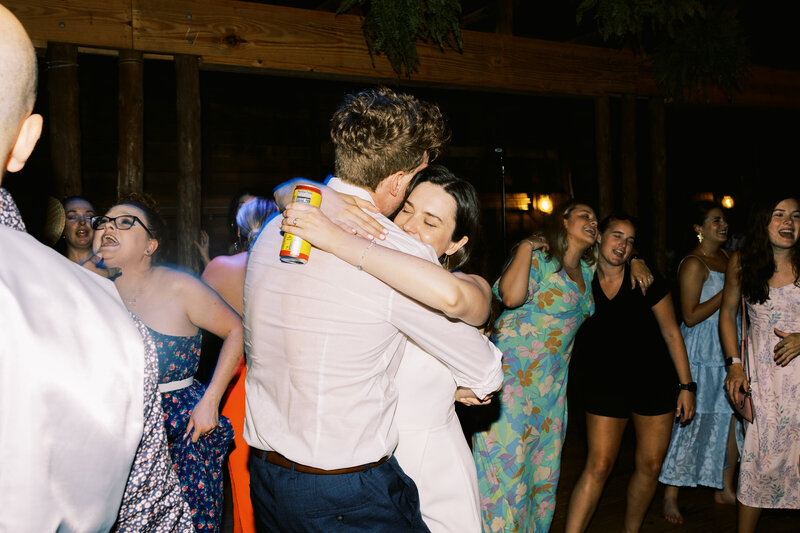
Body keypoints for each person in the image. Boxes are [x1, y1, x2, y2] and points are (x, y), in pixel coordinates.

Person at [244, 87, 503, 532]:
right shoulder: (396, 255)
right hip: (344, 494)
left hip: (268, 480)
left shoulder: (274, 228)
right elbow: (485, 372)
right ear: (399, 181)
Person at [0, 6, 190, 531]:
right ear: (24, 141)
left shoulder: (144, 300)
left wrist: (206, 399)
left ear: (152, 244)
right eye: (95, 218)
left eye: (116, 222)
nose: (98, 227)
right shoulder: (85, 297)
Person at [281, 165, 499, 532]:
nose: (410, 226)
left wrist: (464, 379)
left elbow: (468, 305)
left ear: (456, 244)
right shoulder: (370, 264)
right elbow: (289, 189)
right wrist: (307, 196)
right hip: (364, 462)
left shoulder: (463, 284)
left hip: (430, 465)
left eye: (431, 222)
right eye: (407, 209)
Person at [92, 194, 242, 532]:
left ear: (150, 245)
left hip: (182, 433)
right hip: (120, 431)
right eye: (104, 222)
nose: (109, 227)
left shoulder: (180, 286)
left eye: (125, 222)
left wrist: (211, 400)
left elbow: (236, 329)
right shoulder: (94, 290)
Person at [471, 199, 600, 532]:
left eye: (596, 220)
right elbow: (510, 298)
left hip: (551, 394)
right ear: (564, 221)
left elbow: (619, 250)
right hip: (511, 389)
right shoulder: (542, 260)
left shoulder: (587, 270)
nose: (592, 222)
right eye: (585, 215)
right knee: (505, 478)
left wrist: (639, 260)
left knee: (541, 482)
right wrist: (527, 245)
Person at [564, 214, 696, 533]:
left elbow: (671, 333)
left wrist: (687, 385)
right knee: (599, 464)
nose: (623, 245)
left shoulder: (646, 280)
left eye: (631, 241)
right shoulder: (581, 277)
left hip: (654, 382)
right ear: (599, 237)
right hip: (603, 384)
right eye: (617, 236)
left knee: (650, 466)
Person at [720, 194, 800, 533]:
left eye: (796, 216)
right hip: (762, 384)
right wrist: (734, 365)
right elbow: (726, 316)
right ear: (762, 221)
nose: (789, 223)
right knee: (756, 463)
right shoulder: (741, 262)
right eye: (779, 214)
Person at [659, 201, 742, 523]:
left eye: (725, 221)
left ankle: (725, 487)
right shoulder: (693, 263)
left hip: (727, 348)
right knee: (689, 420)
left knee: (730, 418)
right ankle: (670, 493)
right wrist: (730, 289)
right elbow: (690, 315)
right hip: (699, 349)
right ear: (698, 228)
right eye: (715, 220)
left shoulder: (726, 258)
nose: (723, 225)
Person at [201, 196, 277, 533]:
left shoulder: (219, 268)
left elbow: (198, 339)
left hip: (236, 383)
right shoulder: (294, 269)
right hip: (282, 381)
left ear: (239, 229)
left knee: (242, 483)